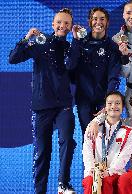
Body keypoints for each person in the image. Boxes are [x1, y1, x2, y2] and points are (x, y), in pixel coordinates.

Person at [9, 8, 76, 194]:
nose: (63, 26)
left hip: (64, 104)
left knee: (68, 140)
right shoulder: (40, 42)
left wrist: (77, 43)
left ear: (70, 27)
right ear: (53, 25)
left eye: (67, 23)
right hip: (42, 105)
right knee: (42, 153)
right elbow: (13, 58)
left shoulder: (71, 48)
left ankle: (63, 184)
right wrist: (26, 38)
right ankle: (40, 192)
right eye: (59, 22)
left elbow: (75, 71)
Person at [65, 7, 121, 138]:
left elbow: (114, 76)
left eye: (102, 19)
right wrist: (75, 40)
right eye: (95, 19)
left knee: (106, 137)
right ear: (90, 22)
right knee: (88, 136)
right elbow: (70, 65)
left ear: (107, 23)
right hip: (83, 99)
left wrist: (108, 102)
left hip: (103, 98)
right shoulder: (80, 42)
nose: (98, 22)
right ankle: (90, 160)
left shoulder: (112, 47)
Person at [82, 91, 132, 194]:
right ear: (105, 107)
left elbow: (124, 156)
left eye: (117, 103)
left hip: (115, 173)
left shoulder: (129, 132)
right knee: (91, 181)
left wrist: (109, 171)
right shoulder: (92, 127)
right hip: (93, 172)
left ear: (122, 107)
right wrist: (92, 169)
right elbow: (87, 152)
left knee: (107, 181)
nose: (113, 106)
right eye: (110, 103)